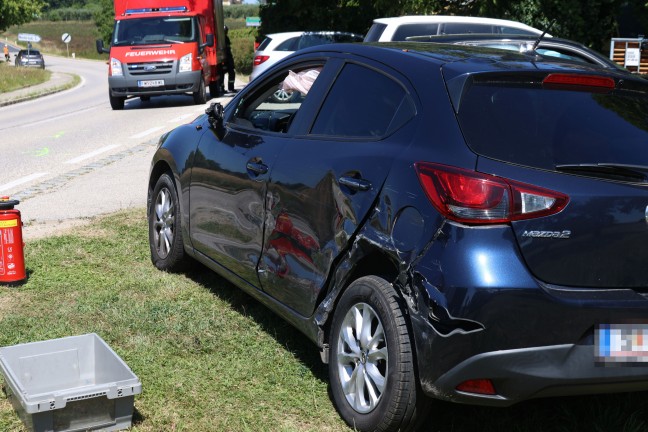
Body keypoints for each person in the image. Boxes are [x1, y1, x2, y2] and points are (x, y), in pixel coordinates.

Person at [223, 26, 236, 93]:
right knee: (231, 73)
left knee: (222, 74)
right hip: (227, 59)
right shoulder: (225, 38)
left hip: (225, 59)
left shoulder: (223, 38)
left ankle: (223, 88)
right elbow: (228, 50)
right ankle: (230, 88)